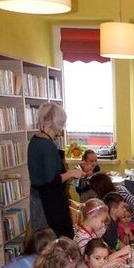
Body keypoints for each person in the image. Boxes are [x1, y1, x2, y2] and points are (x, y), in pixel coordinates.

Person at [27, 102, 80, 238]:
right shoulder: (48, 146)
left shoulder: (34, 141)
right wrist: (71, 173)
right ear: (55, 123)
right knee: (51, 240)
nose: (62, 128)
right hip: (48, 203)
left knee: (40, 238)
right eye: (61, 123)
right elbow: (51, 180)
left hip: (36, 198)